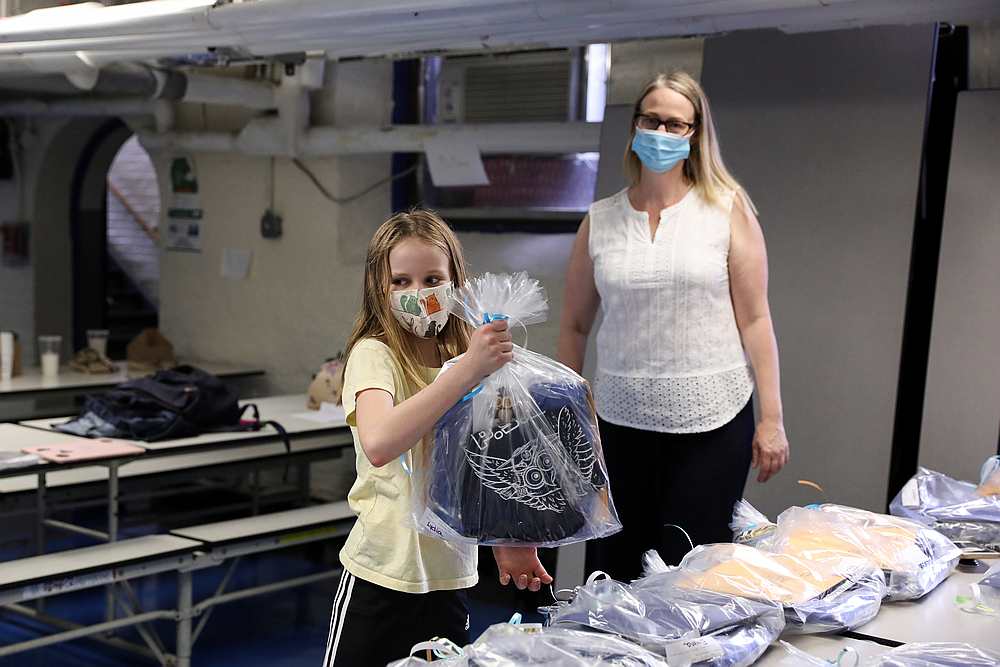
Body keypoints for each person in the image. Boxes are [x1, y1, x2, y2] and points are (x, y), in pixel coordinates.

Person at [557, 72, 790, 581]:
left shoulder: (726, 209)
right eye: (652, 120)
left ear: (694, 134)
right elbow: (574, 325)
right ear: (635, 126)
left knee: (694, 577)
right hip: (618, 425)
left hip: (713, 422)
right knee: (615, 576)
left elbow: (756, 319)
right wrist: (567, 418)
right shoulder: (600, 219)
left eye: (675, 123)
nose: (661, 132)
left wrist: (771, 419)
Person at [324, 209, 551, 667]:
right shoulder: (375, 355)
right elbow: (380, 442)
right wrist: (466, 371)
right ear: (379, 288)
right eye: (401, 281)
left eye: (432, 279)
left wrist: (508, 538)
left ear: (455, 284)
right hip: (381, 574)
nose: (419, 294)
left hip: (450, 576)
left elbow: (488, 463)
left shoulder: (465, 357)